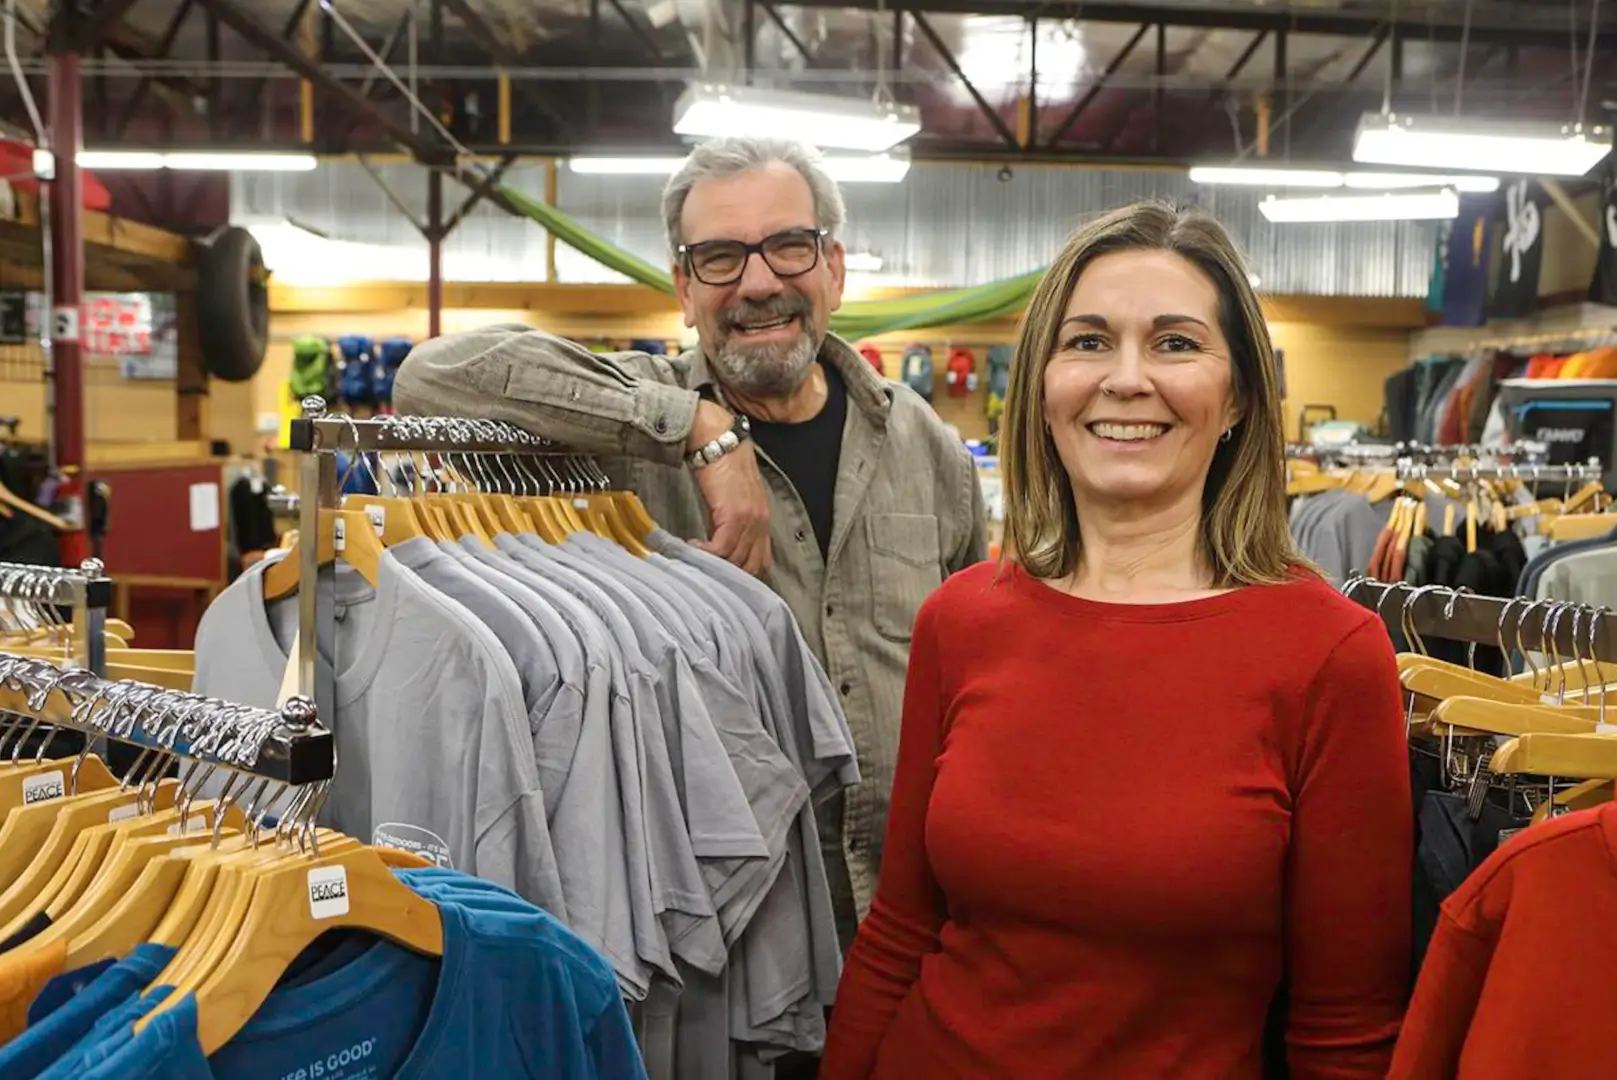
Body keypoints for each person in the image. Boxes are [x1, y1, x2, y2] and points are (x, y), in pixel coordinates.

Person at [819, 201, 1413, 1079]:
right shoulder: (962, 619)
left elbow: (1346, 1030)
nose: (1125, 378)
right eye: (1087, 341)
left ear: (1240, 395)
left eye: (1174, 343)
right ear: (1044, 386)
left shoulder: (1328, 653)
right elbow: (901, 933)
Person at [392, 136, 987, 952]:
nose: (758, 282)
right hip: (731, 937)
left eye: (788, 246)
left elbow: (974, 681)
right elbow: (429, 377)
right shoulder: (627, 422)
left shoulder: (927, 447)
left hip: (911, 918)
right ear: (682, 286)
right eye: (718, 257)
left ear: (835, 268)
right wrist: (691, 428)